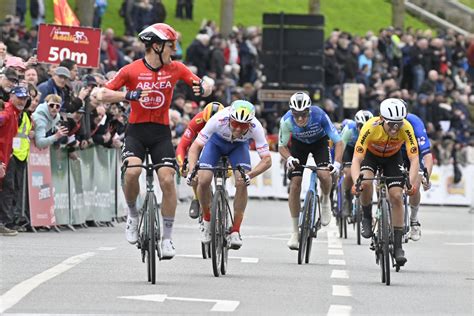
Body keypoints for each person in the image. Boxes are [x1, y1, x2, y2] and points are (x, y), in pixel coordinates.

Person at [94, 23, 213, 260]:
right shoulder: (131, 70)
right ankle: (132, 215)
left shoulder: (176, 68)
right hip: (136, 132)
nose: (174, 50)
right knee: (131, 172)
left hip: (160, 133)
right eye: (171, 46)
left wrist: (206, 86)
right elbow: (100, 94)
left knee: (167, 180)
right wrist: (130, 95)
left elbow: (202, 85)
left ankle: (167, 238)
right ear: (156, 46)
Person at [186, 100, 272, 249]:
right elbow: (195, 147)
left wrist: (249, 176)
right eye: (235, 124)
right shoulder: (218, 118)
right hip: (215, 144)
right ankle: (207, 221)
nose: (238, 129)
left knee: (241, 181)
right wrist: (192, 170)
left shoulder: (256, 127)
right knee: (204, 179)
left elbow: (267, 160)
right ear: (229, 118)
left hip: (238, 148)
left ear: (250, 124)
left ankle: (236, 231)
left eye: (243, 126)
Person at [351, 98, 419, 266]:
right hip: (371, 156)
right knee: (365, 182)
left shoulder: (406, 127)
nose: (395, 129)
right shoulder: (369, 127)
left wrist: (410, 183)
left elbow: (414, 158)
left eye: (398, 124)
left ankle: (397, 246)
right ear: (381, 119)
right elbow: (356, 159)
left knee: (396, 196)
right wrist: (356, 183)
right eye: (391, 125)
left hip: (393, 157)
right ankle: (366, 217)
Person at [278, 92, 343, 250]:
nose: (300, 119)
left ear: (309, 111)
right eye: (296, 115)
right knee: (295, 184)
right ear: (292, 112)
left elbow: (339, 142)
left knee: (323, 174)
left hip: (320, 144)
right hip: (299, 146)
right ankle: (295, 232)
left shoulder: (319, 115)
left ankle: (326, 199)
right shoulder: (286, 121)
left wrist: (337, 163)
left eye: (304, 114)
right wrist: (289, 158)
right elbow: (281, 146)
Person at [175, 101, 224, 218]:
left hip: (220, 147)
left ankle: (222, 193)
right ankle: (196, 197)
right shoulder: (197, 120)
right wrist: (182, 165)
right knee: (194, 172)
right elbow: (182, 145)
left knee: (225, 169)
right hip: (200, 147)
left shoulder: (227, 121)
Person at [0, 86, 30, 236]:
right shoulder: (7, 112)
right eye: (19, 97)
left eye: (24, 98)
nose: (22, 101)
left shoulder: (16, 114)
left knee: (7, 188)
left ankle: (3, 222)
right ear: (11, 96)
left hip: (7, 156)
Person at [402, 113, 433, 241]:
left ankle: (414, 220)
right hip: (392, 151)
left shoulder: (415, 122)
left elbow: (427, 155)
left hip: (413, 153)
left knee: (415, 185)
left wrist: (427, 177)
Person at [339, 110, 374, 216]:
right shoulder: (349, 129)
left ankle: (368, 204)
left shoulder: (373, 131)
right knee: (349, 174)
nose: (364, 130)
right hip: (350, 150)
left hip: (365, 150)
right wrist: (339, 164)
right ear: (356, 125)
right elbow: (341, 146)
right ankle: (347, 197)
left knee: (368, 178)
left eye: (367, 127)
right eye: (361, 127)